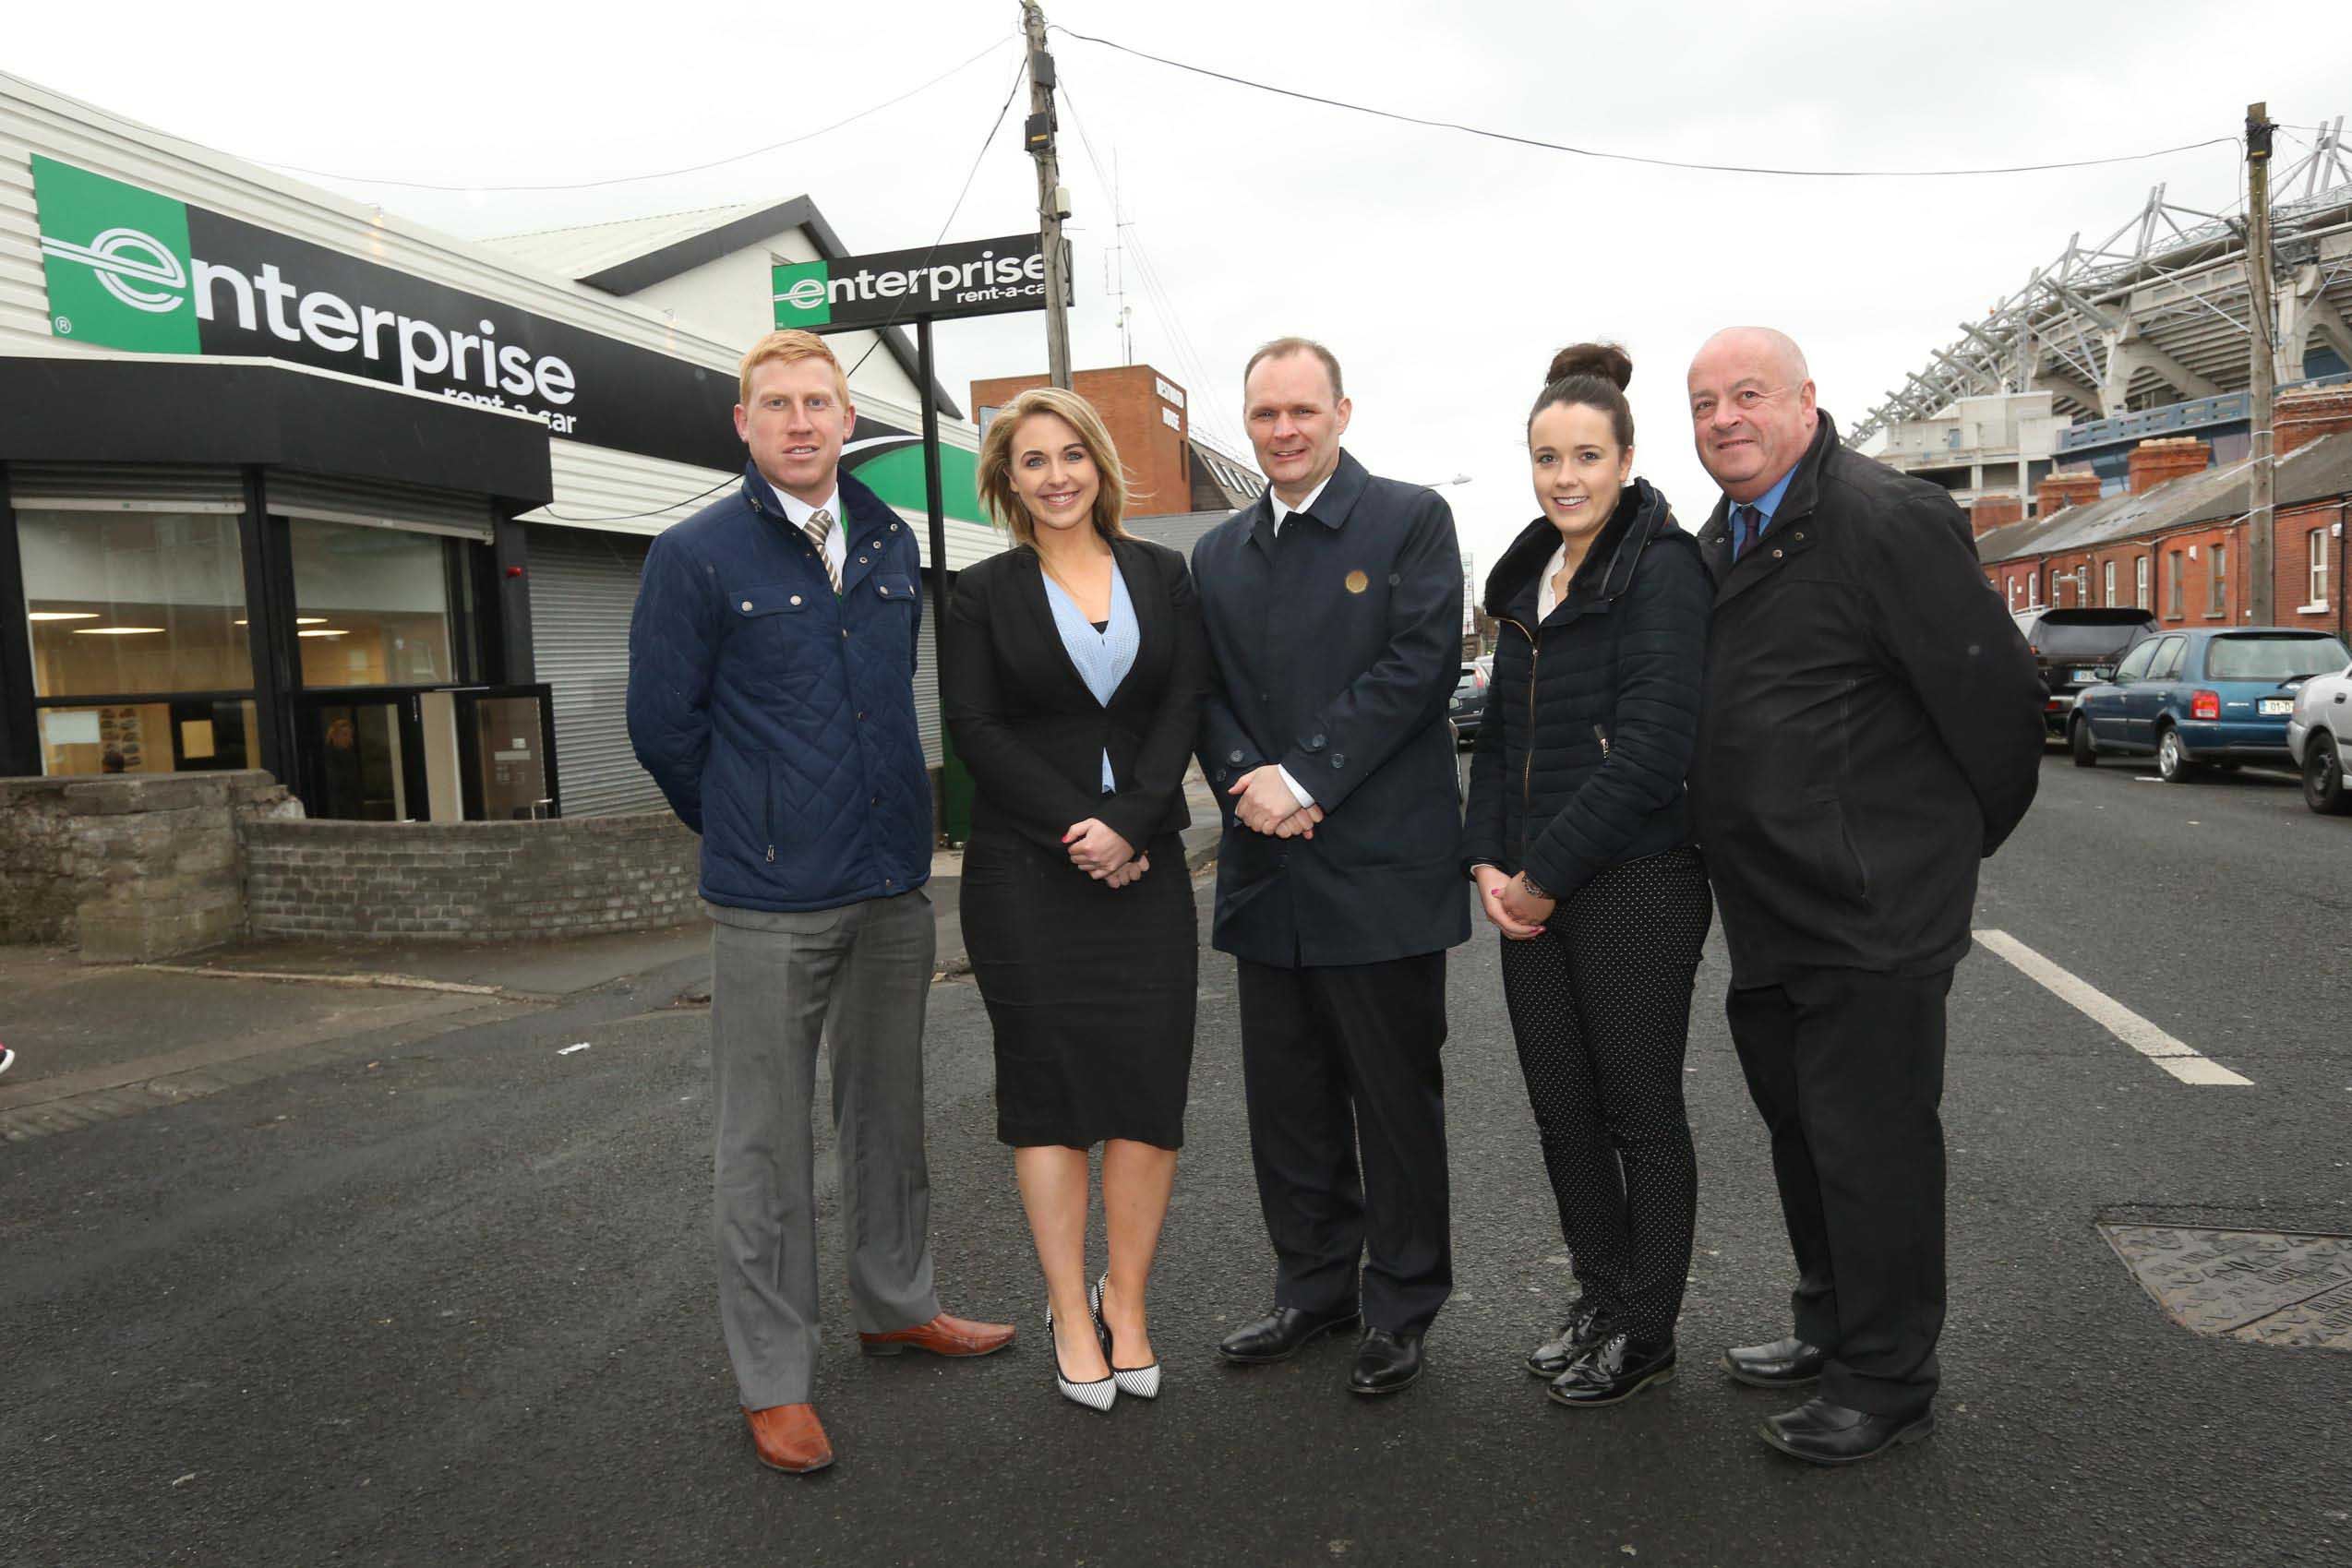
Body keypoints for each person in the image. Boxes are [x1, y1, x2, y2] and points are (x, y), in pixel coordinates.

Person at [627, 329, 1014, 1478]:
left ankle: (897, 1303)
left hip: (891, 884)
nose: (799, 421)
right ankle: (774, 1377)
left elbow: (887, 696)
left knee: (889, 1114)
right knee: (763, 1145)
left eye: (817, 402)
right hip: (769, 900)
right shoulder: (693, 554)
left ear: (848, 421)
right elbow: (663, 730)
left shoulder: (891, 540)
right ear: (742, 424)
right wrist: (753, 825)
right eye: (776, 404)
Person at [1684, 327, 2043, 1466]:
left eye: (1747, 394)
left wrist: (1924, 859)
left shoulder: (1887, 518)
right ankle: (1831, 1324)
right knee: (1804, 1133)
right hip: (1769, 909)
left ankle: (1886, 1379)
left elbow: (1998, 706)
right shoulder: (1724, 534)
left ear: (1806, 401)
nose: (1724, 418)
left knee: (1871, 1146)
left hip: (1871, 912)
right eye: (1704, 403)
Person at [1194, 337, 1469, 1396]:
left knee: (1393, 1105)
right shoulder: (1218, 553)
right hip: (1269, 870)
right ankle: (1312, 1289)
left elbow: (1419, 665)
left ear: (1341, 413)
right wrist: (1246, 780)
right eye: (1265, 414)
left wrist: (1303, 778)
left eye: (1302, 410)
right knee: (1289, 1103)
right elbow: (1204, 690)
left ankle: (1401, 1304)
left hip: (1379, 871)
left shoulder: (1410, 520)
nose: (1283, 430)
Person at [942, 387, 1209, 1414]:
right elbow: (975, 728)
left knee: (1147, 1090)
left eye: (1071, 455)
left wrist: (1131, 823)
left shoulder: (1163, 574)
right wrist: (1081, 830)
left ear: (1099, 464)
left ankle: (1124, 1302)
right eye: (1032, 461)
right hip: (1025, 876)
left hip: (1144, 869)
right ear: (1008, 482)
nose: (1056, 476)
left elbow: (1182, 701)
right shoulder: (979, 593)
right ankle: (1067, 1306)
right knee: (1048, 1095)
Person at [1463, 342, 1713, 1409]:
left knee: (1638, 1118)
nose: (1564, 477)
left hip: (1636, 881)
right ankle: (1600, 1299)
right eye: (1546, 458)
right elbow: (1496, 738)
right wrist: (1487, 858)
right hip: (1533, 888)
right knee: (1563, 1114)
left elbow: (1652, 752)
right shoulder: (1528, 580)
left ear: (1625, 459)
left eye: (1585, 457)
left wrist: (1541, 877)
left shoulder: (1663, 569)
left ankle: (1646, 1330)